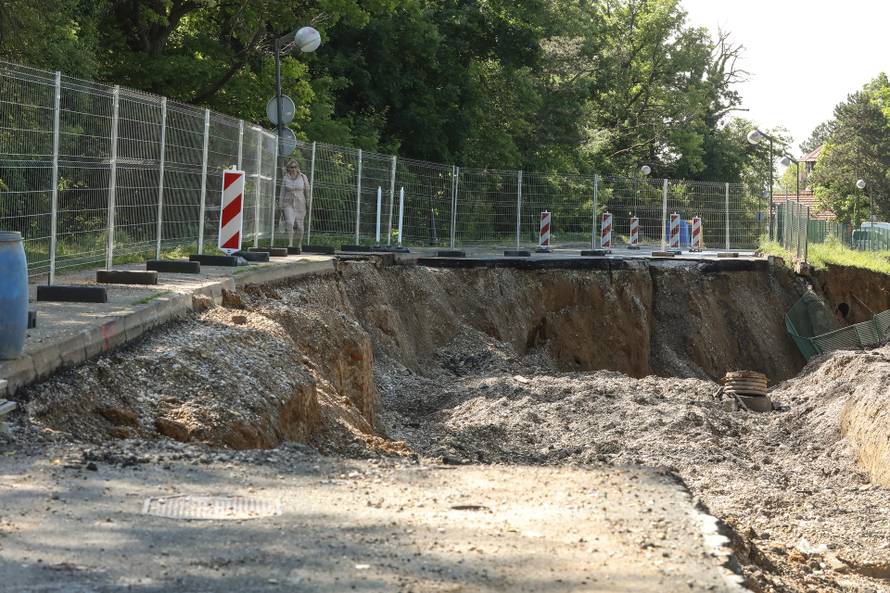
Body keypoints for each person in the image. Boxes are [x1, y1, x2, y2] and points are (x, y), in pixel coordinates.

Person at [278, 159, 309, 249]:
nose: (294, 169)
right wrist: (281, 205)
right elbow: (282, 192)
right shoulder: (285, 178)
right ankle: (290, 244)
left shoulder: (303, 177)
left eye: (295, 167)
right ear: (289, 168)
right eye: (292, 167)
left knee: (300, 226)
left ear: (298, 167)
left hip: (300, 203)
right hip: (288, 203)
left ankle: (299, 244)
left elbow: (307, 190)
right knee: (290, 223)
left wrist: (308, 201)